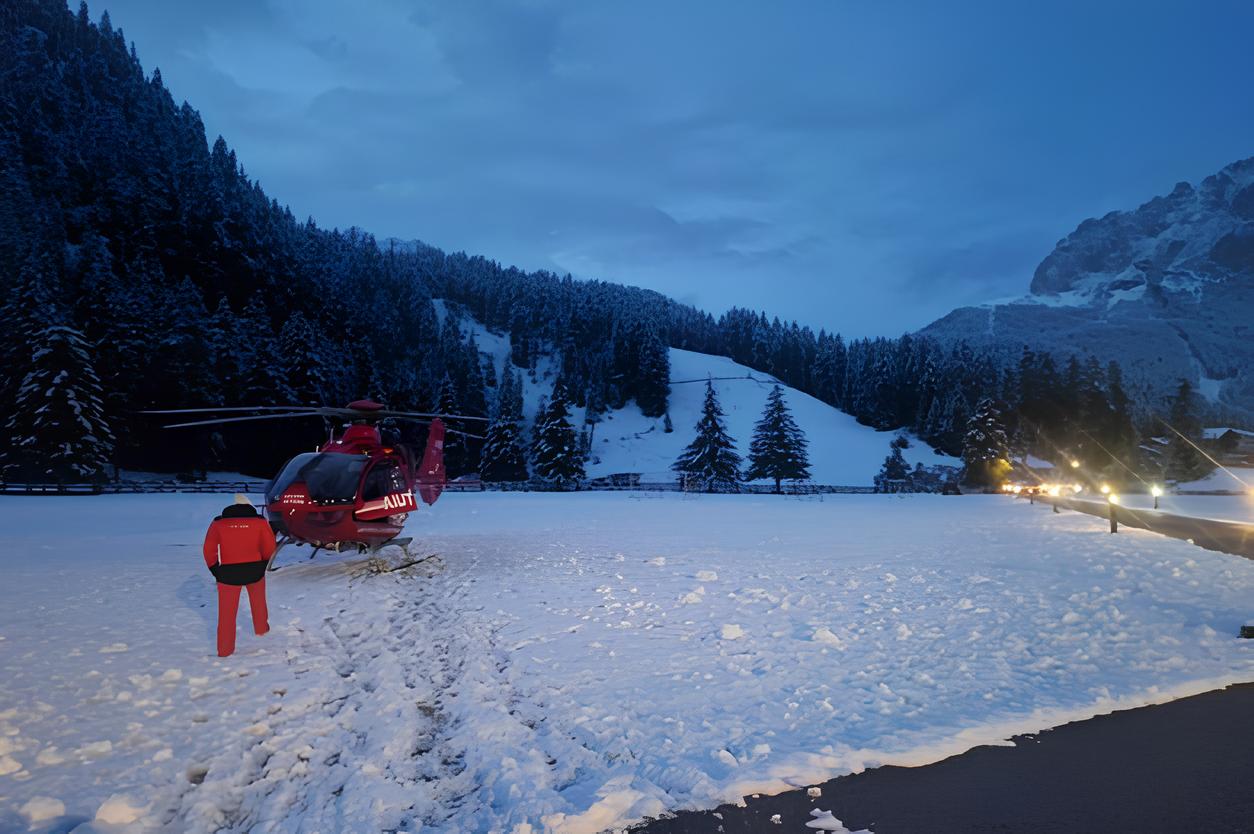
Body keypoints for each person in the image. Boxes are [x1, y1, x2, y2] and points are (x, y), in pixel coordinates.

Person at [202, 494, 276, 657]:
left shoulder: (218, 524)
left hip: (228, 572)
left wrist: (215, 569)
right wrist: (263, 565)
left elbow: (209, 549)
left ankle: (225, 649)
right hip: (255, 569)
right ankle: (262, 630)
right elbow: (269, 546)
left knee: (226, 614)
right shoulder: (260, 522)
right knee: (258, 603)